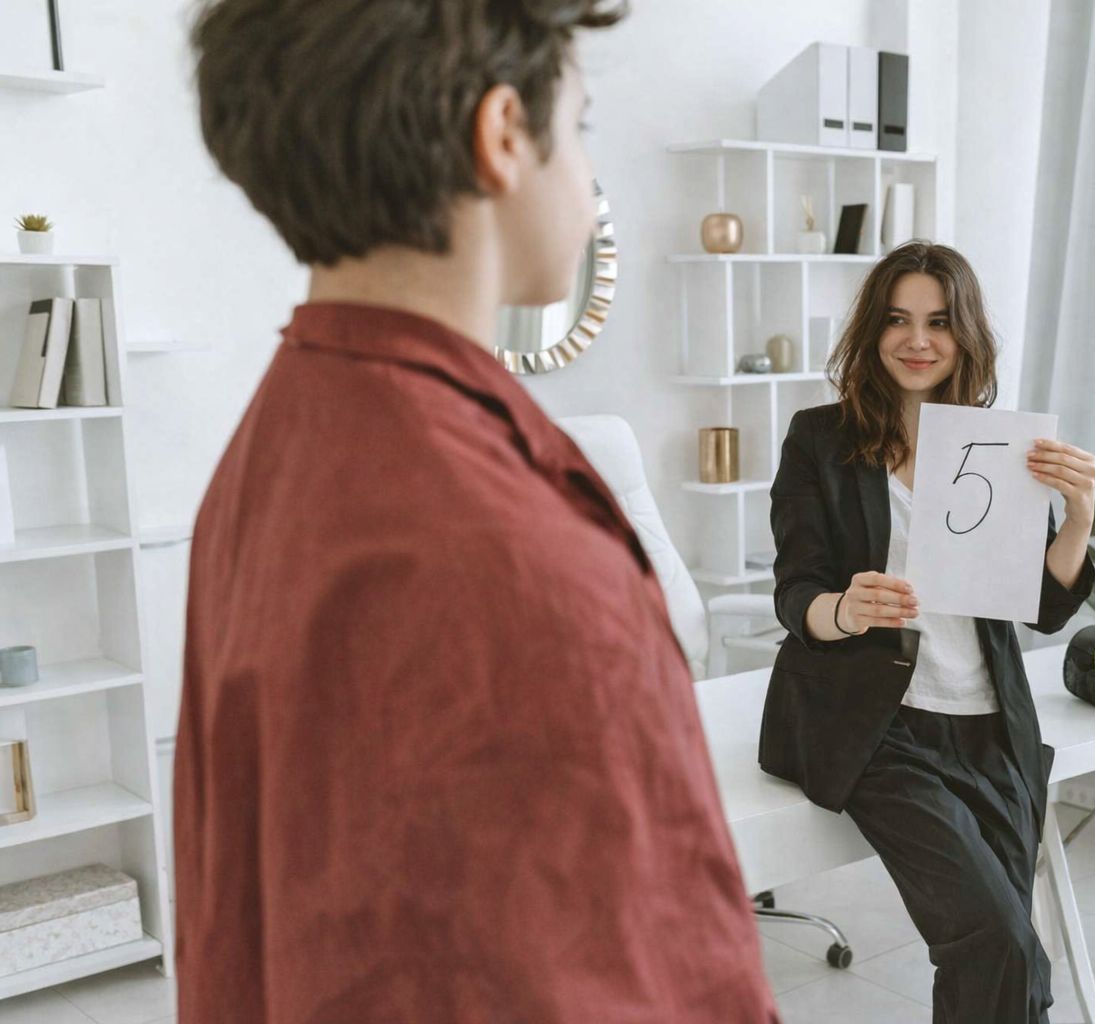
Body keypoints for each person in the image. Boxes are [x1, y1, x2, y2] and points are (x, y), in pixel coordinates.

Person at [175, 2, 778, 1021]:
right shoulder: (516, 554)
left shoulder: (269, 451)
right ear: (501, 136)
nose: (589, 185)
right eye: (580, 129)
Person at [759, 241, 1095, 1023]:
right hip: (879, 728)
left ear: (965, 334)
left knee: (1016, 967)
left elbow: (1041, 607)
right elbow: (795, 590)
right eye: (899, 319)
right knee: (998, 940)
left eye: (939, 322)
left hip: (990, 728)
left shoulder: (996, 444)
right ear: (873, 331)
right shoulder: (820, 438)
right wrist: (844, 610)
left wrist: (1078, 518)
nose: (918, 340)